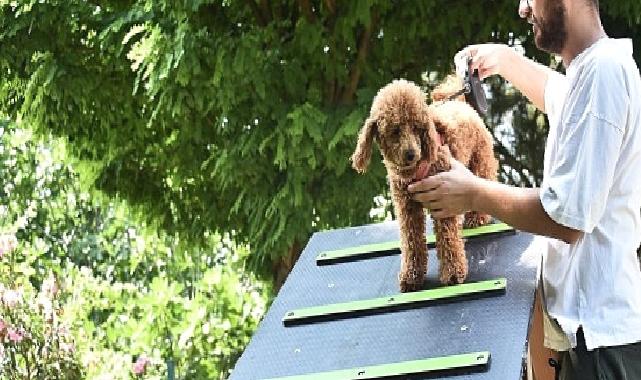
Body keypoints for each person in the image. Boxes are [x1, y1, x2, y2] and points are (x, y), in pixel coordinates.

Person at [408, 0, 641, 378]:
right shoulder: (592, 72)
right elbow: (556, 94)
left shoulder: (604, 72)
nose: (522, 8)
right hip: (591, 339)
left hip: (602, 347)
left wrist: (473, 193)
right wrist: (505, 61)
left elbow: (566, 218)